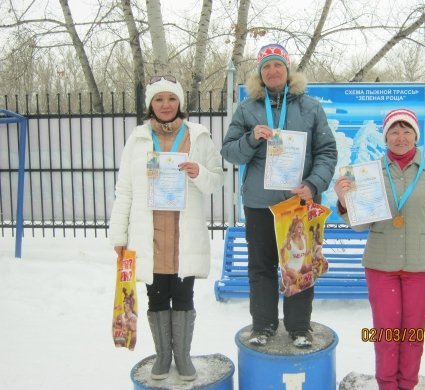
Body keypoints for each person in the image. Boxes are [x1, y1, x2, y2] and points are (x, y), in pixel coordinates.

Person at [221, 43, 338, 348]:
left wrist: (313, 185)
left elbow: (327, 152)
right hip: (259, 204)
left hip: (299, 203)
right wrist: (251, 138)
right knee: (261, 267)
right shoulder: (247, 109)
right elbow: (229, 152)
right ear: (260, 74)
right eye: (267, 67)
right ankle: (263, 326)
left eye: (278, 66)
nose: (273, 71)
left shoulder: (310, 107)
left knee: (299, 265)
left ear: (288, 71)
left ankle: (299, 328)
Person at [334, 108, 425, 390]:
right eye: (394, 131)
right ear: (385, 136)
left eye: (406, 131)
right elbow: (360, 225)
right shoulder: (370, 172)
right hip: (382, 266)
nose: (400, 137)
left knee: (413, 335)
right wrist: (344, 202)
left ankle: (407, 385)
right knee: (386, 334)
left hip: (421, 268)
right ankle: (387, 385)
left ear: (416, 135)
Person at [109, 75, 223, 380]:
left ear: (180, 103)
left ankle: (183, 357)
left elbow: (216, 179)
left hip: (184, 234)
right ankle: (162, 356)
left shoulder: (198, 136)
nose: (165, 104)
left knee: (184, 297)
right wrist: (119, 235)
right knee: (157, 297)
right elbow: (125, 190)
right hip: (150, 234)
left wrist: (198, 172)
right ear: (150, 105)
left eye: (171, 98)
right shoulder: (138, 139)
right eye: (159, 99)